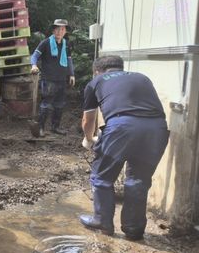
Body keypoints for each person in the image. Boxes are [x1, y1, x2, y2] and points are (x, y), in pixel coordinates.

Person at [79, 55, 169, 240]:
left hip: (122, 127)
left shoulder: (96, 81)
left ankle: (102, 221)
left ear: (97, 71)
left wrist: (88, 139)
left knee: (102, 177)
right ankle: (134, 229)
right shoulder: (142, 77)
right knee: (138, 180)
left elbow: (88, 120)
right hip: (156, 129)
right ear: (121, 68)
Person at [29, 19, 75, 136]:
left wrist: (72, 74)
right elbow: (34, 55)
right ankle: (40, 128)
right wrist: (34, 65)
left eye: (63, 29)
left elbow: (69, 61)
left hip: (61, 79)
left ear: (65, 31)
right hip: (48, 79)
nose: (60, 31)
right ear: (54, 30)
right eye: (58, 29)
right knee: (46, 104)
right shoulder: (45, 43)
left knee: (59, 104)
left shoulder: (66, 44)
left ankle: (55, 127)